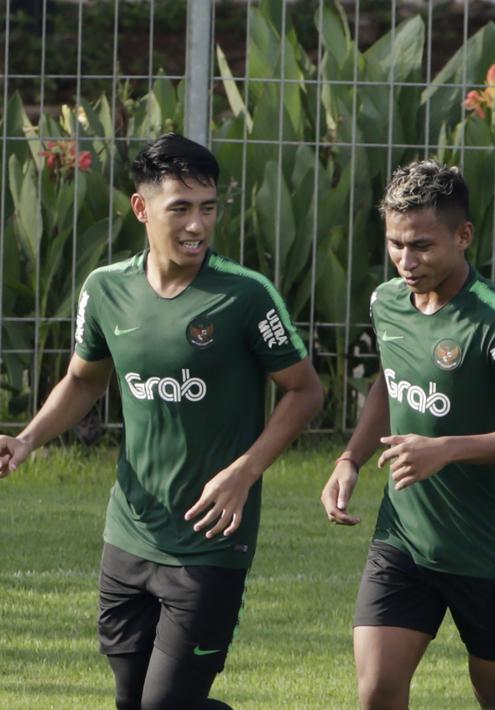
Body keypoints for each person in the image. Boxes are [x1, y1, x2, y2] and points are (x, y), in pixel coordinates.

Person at [0, 132, 323, 710]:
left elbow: (304, 391)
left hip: (209, 540)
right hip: (129, 533)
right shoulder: (105, 290)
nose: (197, 224)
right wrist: (27, 440)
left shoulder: (246, 296)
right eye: (181, 208)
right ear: (142, 208)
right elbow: (83, 379)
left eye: (208, 207)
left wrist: (244, 472)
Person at [320, 159, 495, 710]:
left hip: (487, 548)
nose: (407, 261)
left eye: (423, 246)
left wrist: (448, 449)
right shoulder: (387, 304)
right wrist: (351, 458)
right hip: (402, 537)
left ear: (464, 236)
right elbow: (393, 380)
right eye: (395, 244)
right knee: (377, 690)